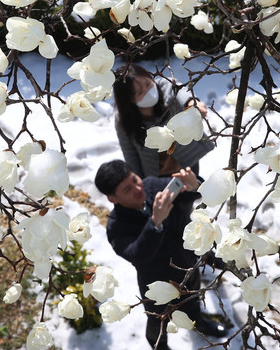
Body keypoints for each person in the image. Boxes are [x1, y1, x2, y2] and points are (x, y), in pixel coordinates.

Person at [95, 160, 228, 350]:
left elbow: (187, 195)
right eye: (127, 189)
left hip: (187, 264)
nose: (137, 188)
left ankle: (199, 324)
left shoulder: (152, 185)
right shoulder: (116, 227)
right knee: (158, 321)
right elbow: (137, 255)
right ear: (112, 199)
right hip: (157, 283)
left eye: (134, 180)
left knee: (193, 302)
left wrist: (195, 185)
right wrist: (155, 224)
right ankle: (159, 346)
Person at [113, 64, 214, 178]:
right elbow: (130, 154)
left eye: (148, 84)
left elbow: (180, 92)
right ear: (129, 100)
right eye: (140, 93)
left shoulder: (164, 86)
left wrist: (192, 103)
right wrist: (141, 182)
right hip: (157, 174)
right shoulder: (123, 120)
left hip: (187, 160)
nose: (148, 91)